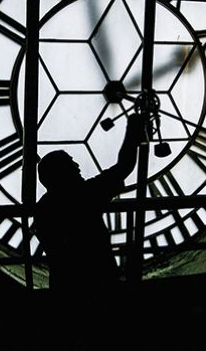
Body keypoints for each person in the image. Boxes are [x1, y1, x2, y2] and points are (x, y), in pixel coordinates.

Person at [33, 113, 143, 295]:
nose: (77, 166)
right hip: (102, 279)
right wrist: (133, 133)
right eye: (70, 164)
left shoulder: (45, 207)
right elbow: (124, 167)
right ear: (61, 173)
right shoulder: (85, 194)